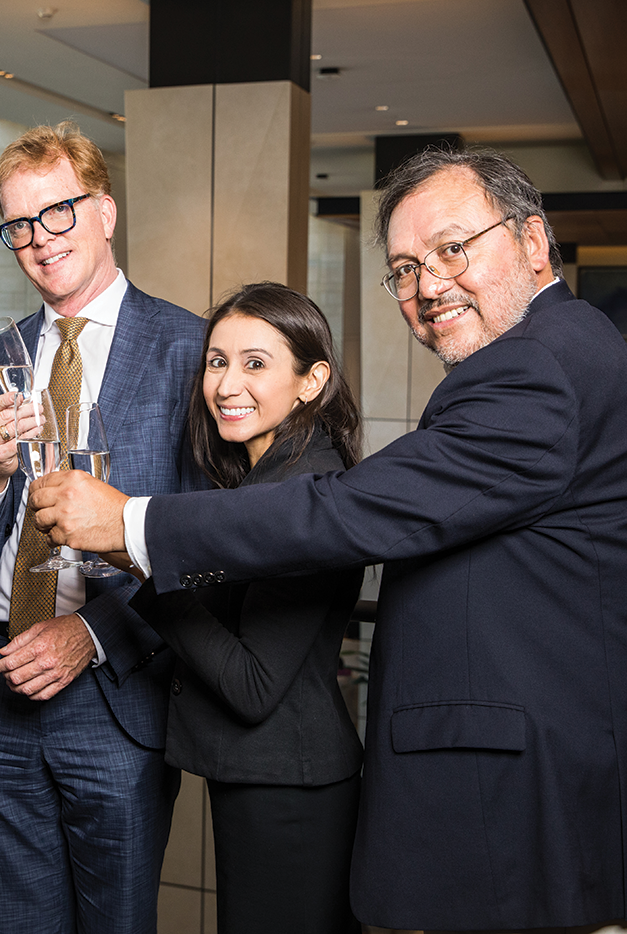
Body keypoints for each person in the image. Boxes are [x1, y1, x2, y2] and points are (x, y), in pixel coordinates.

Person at [32, 147, 627, 933]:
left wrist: (130, 525)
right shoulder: (553, 353)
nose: (428, 284)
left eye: (453, 248)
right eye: (407, 268)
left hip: (551, 807)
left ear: (531, 242)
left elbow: (348, 512)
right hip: (535, 796)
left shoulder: (538, 369)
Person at [0, 121, 205, 934]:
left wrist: (91, 633)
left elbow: (206, 545)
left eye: (59, 213)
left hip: (115, 692)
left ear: (106, 213)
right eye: (19, 225)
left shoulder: (190, 350)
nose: (41, 242)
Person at [127, 282, 363, 934]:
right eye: (217, 361)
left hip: (290, 788)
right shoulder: (261, 482)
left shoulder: (302, 495)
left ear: (312, 380)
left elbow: (254, 684)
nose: (228, 384)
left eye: (256, 363)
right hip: (274, 778)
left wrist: (145, 564)